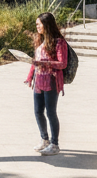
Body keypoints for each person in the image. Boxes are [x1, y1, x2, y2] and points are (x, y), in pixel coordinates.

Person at [25, 11, 68, 156]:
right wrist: (30, 76)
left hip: (51, 80)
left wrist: (45, 63)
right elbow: (35, 61)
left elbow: (62, 63)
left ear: (46, 24)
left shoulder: (59, 42)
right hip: (39, 81)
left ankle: (55, 144)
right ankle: (45, 139)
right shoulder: (40, 40)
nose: (37, 27)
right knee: (38, 111)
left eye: (39, 24)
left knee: (50, 112)